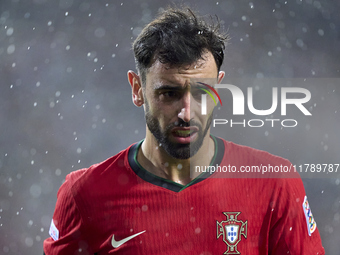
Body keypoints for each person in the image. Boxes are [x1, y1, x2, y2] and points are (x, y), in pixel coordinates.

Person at [43, 7, 325, 255]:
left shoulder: (275, 183)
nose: (187, 113)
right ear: (137, 89)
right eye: (169, 93)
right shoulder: (83, 196)